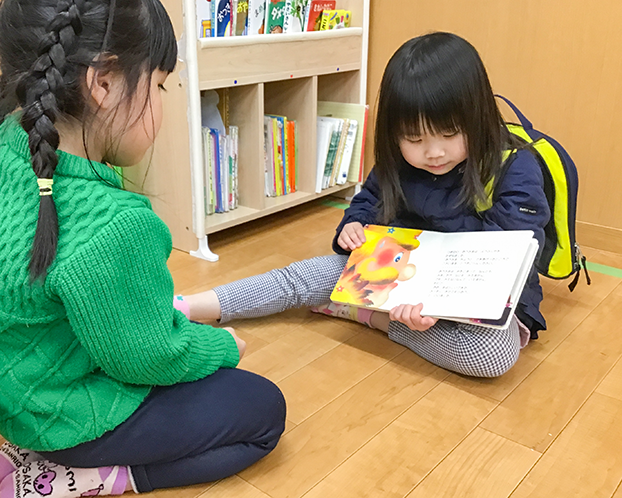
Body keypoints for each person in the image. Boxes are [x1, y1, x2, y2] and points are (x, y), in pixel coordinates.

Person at [0, 0, 285, 496]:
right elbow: (149, 357)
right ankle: (92, 474)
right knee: (263, 410)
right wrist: (222, 346)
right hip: (72, 419)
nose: (162, 101)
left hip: (9, 397)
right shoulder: (114, 224)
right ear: (103, 82)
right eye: (159, 85)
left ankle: (33, 451)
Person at [179, 32, 550, 379]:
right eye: (414, 138)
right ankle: (188, 306)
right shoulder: (400, 161)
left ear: (478, 116)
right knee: (306, 275)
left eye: (450, 133)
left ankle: (370, 316)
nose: (433, 152)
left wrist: (434, 301)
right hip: (398, 273)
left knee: (491, 354)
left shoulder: (514, 166)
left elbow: (509, 255)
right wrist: (353, 227)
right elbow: (369, 200)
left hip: (478, 293)